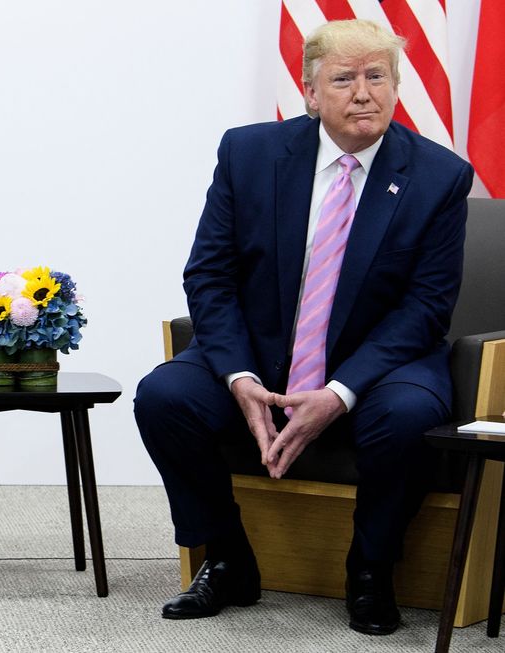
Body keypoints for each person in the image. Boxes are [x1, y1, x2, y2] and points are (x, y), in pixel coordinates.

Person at [133, 19, 472, 636]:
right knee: (164, 397)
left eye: (377, 76)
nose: (363, 93)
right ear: (312, 93)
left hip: (382, 361)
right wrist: (238, 375)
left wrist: (340, 392)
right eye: (343, 79)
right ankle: (227, 556)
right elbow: (209, 275)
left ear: (397, 87)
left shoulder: (439, 177)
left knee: (408, 418)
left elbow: (425, 307)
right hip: (264, 353)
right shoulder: (249, 153)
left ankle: (370, 569)